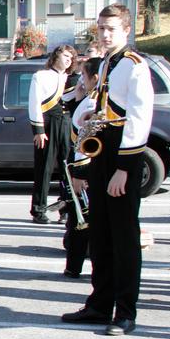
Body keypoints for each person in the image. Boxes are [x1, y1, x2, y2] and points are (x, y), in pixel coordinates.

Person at [62, 4, 153, 336]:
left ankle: (125, 312)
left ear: (127, 30)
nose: (104, 34)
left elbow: (140, 121)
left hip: (122, 156)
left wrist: (124, 170)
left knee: (124, 238)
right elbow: (107, 110)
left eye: (111, 29)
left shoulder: (134, 66)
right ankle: (100, 304)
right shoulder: (106, 66)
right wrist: (88, 120)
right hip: (103, 150)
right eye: (101, 28)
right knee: (99, 234)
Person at [62, 56, 102, 278]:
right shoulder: (87, 99)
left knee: (81, 219)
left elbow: (82, 141)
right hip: (80, 161)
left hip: (83, 164)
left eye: (84, 76)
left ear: (94, 78)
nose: (81, 81)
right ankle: (73, 265)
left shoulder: (92, 102)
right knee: (78, 217)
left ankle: (74, 266)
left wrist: (78, 172)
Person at [29, 44, 77, 224]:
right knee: (45, 168)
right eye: (65, 56)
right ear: (56, 56)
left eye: (71, 58)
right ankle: (38, 209)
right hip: (48, 123)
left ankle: (66, 209)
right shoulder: (41, 76)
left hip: (66, 123)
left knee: (67, 167)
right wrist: (38, 130)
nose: (68, 60)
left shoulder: (71, 78)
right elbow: (34, 104)